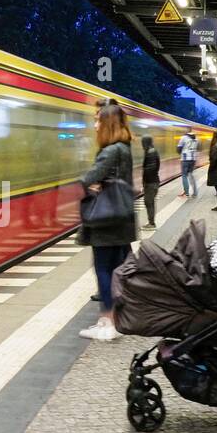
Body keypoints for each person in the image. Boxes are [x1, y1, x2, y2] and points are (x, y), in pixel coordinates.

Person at [78, 103, 137, 341]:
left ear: (107, 124)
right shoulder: (125, 149)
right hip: (122, 217)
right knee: (118, 268)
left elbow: (89, 178)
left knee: (103, 269)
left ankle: (107, 322)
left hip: (107, 219)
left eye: (97, 120)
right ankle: (119, 316)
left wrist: (91, 183)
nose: (94, 125)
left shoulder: (110, 151)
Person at [140, 135, 161, 229]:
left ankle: (151, 223)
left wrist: (145, 182)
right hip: (153, 181)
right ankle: (151, 222)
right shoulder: (151, 151)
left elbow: (150, 169)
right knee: (149, 202)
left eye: (142, 142)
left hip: (151, 182)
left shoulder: (150, 152)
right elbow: (156, 167)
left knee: (149, 202)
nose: (141, 145)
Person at [177, 129, 198, 197]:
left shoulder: (183, 138)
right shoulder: (196, 138)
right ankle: (195, 192)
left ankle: (186, 192)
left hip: (185, 159)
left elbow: (178, 149)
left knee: (184, 175)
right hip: (193, 159)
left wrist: (181, 152)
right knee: (191, 175)